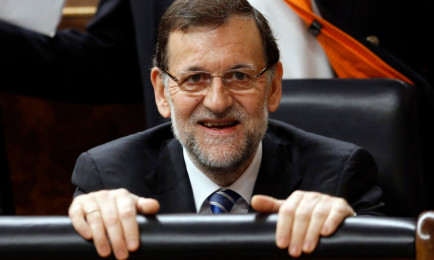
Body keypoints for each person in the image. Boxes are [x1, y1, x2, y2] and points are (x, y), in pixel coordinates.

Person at [68, 0, 383, 259]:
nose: (217, 102)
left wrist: (348, 234)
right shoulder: (109, 179)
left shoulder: (338, 178)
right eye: (194, 79)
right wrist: (82, 236)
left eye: (240, 76)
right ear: (162, 94)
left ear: (273, 86)